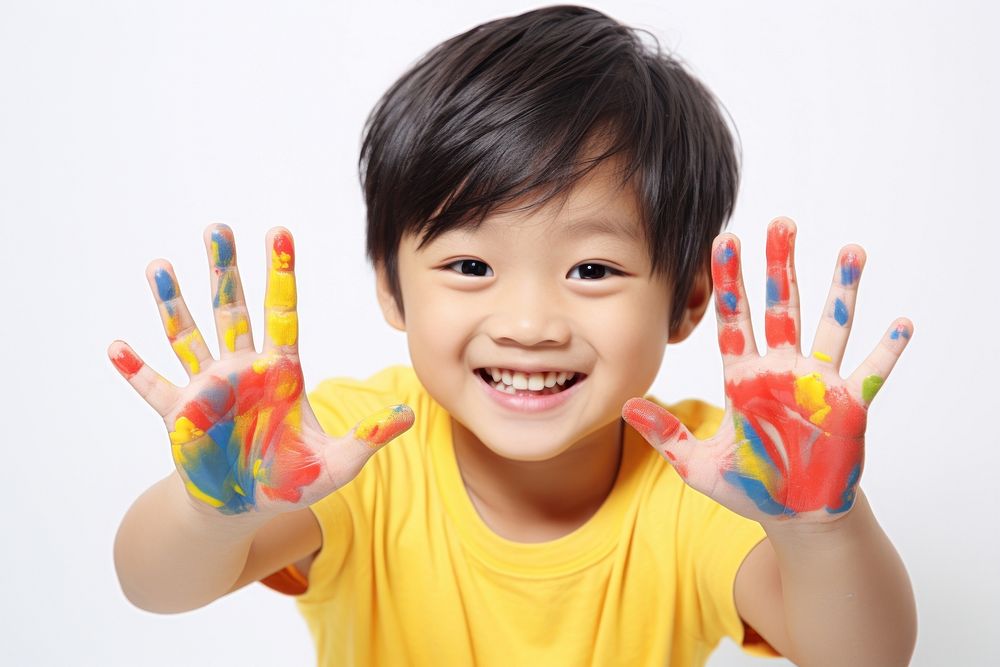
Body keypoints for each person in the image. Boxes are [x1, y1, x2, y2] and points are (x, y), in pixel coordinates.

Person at [110, 6, 917, 665]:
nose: (529, 324)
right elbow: (155, 586)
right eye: (469, 264)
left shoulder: (713, 474)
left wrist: (819, 527)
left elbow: (865, 655)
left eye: (593, 271)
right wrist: (212, 511)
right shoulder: (350, 451)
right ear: (391, 288)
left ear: (688, 301)